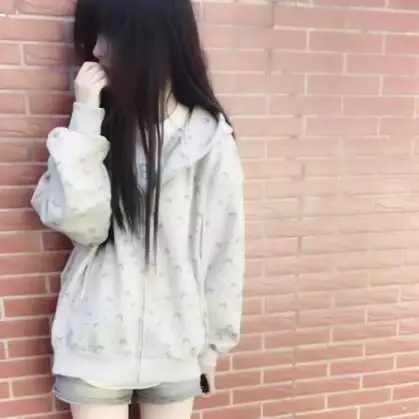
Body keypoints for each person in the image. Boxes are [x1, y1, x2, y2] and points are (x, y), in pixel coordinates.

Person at [30, 0, 245, 418]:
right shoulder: (98, 129)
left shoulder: (208, 140)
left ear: (148, 38)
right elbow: (84, 225)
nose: (96, 50)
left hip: (177, 342)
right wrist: (85, 118)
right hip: (97, 339)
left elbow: (225, 251)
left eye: (107, 34)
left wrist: (212, 348)